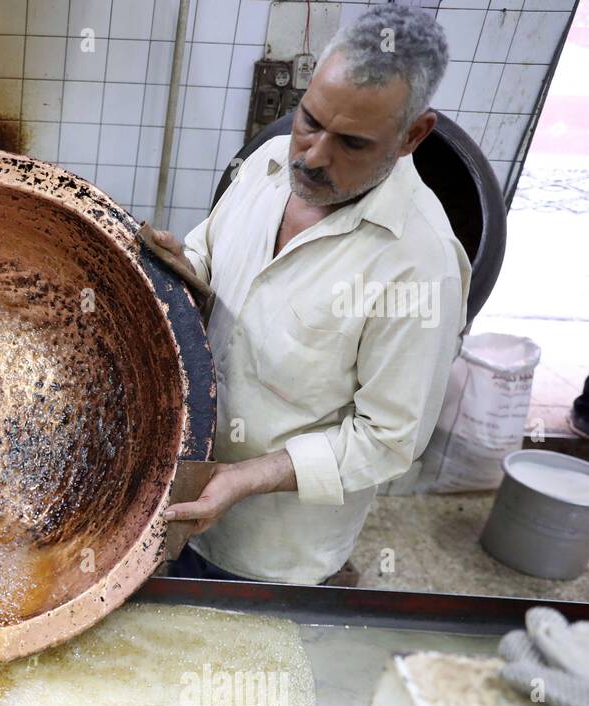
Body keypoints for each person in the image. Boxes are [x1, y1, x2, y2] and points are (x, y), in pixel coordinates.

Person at [154, 6, 471, 585]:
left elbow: (388, 439)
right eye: (309, 121)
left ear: (413, 135)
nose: (313, 156)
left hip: (270, 551)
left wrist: (247, 478)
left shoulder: (418, 266)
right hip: (178, 480)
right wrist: (183, 272)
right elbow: (211, 252)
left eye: (351, 143)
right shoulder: (270, 163)